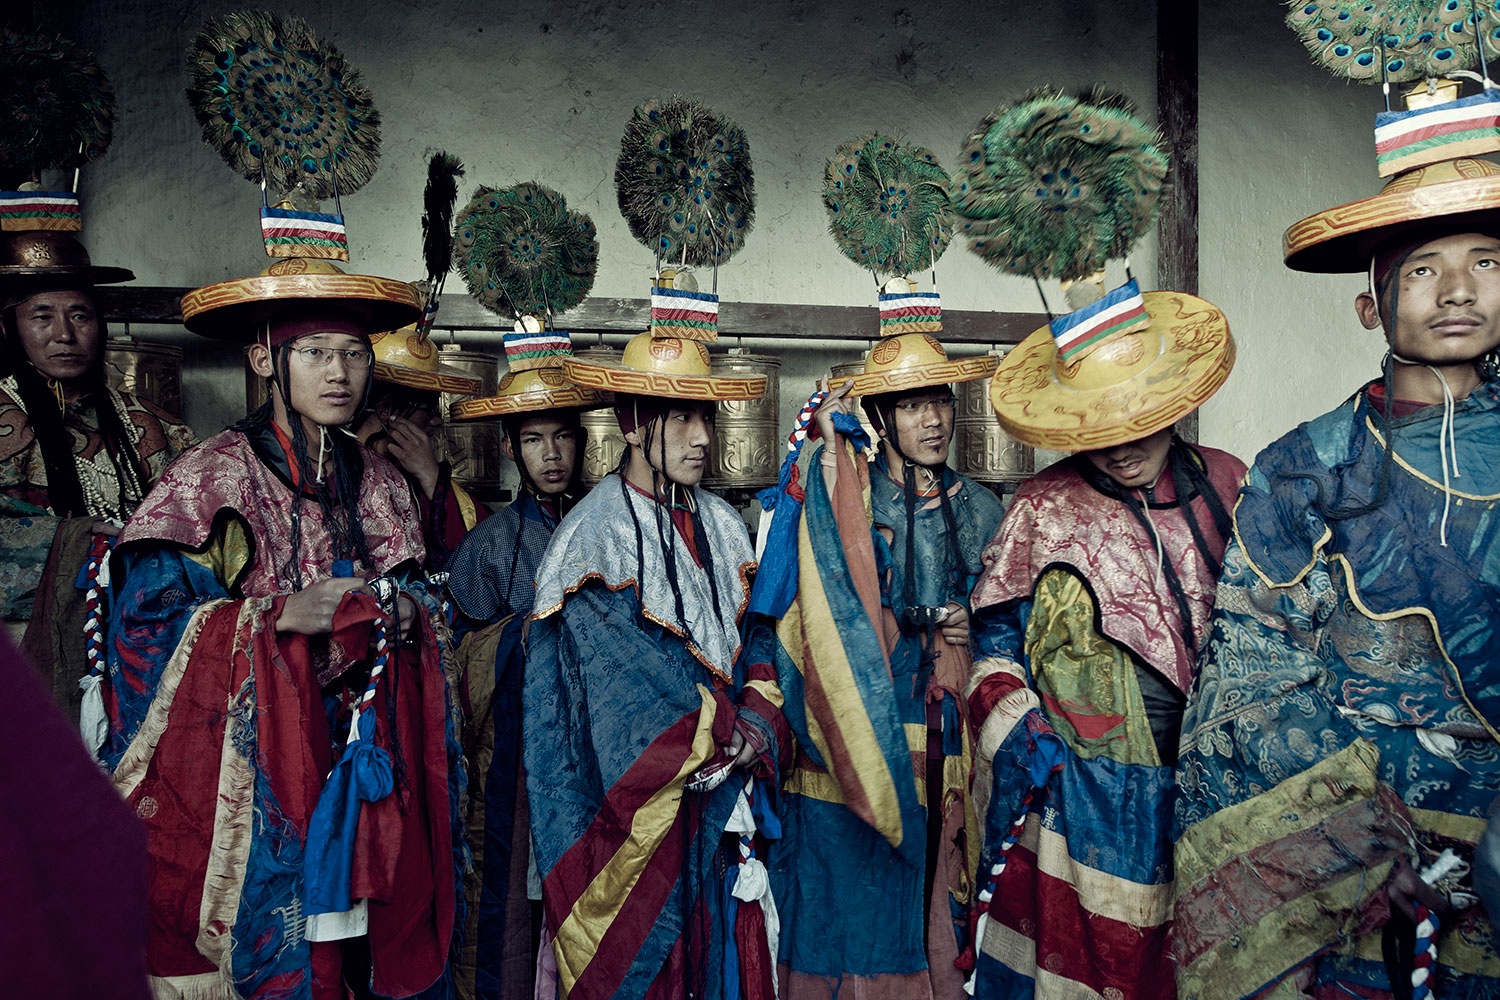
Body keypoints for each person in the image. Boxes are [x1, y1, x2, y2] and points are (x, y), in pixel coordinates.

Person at [1171, 153, 1500, 995]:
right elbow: (1252, 679)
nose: (1457, 291)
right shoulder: (1304, 468)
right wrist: (1368, 840)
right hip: (1364, 860)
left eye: (1485, 263)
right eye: (1424, 269)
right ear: (1369, 304)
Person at [102, 258, 460, 999]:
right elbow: (142, 628)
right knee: (289, 953)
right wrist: (270, 618)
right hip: (264, 757)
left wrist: (406, 614)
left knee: (365, 944)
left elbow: (429, 597)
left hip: (367, 750)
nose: (340, 373)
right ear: (265, 357)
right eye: (316, 353)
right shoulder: (210, 478)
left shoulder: (381, 480)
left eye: (355, 354)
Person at [965, 282, 1240, 998]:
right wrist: (1027, 734)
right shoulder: (1040, 509)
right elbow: (994, 642)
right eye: (1101, 429)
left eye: (1141, 423)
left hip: (1219, 780)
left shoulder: (1230, 484)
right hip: (1085, 790)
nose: (1122, 450)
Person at [523, 328, 790, 1000]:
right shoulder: (591, 537)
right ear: (636, 424)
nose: (702, 436)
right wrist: (731, 727)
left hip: (730, 795)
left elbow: (760, 630)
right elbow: (615, 688)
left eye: (705, 416)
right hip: (646, 812)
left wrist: (761, 701)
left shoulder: (724, 522)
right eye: (681, 416)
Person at [768, 292, 1004, 998]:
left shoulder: (986, 508)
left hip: (956, 746)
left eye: (939, 401)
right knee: (862, 917)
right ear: (880, 417)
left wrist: (973, 626)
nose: (931, 420)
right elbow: (819, 625)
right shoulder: (849, 505)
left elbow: (1009, 629)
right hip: (867, 745)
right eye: (910, 405)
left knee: (947, 913)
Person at [441, 329, 609, 999]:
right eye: (534, 440)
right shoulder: (487, 547)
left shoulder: (614, 524)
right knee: (513, 895)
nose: (550, 454)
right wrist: (528, 639)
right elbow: (459, 664)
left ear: (582, 441)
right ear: (510, 448)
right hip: (512, 757)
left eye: (562, 437)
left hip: (597, 746)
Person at [0, 231, 193, 711]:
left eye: (80, 315)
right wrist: (81, 541)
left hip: (137, 640)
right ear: (9, 327)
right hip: (24, 649)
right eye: (42, 316)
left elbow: (197, 522)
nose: (64, 335)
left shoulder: (151, 423)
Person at [353, 319, 488, 572]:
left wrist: (430, 475)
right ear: (385, 411)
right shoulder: (337, 470)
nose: (437, 420)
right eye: (428, 408)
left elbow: (483, 552)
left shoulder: (416, 475)